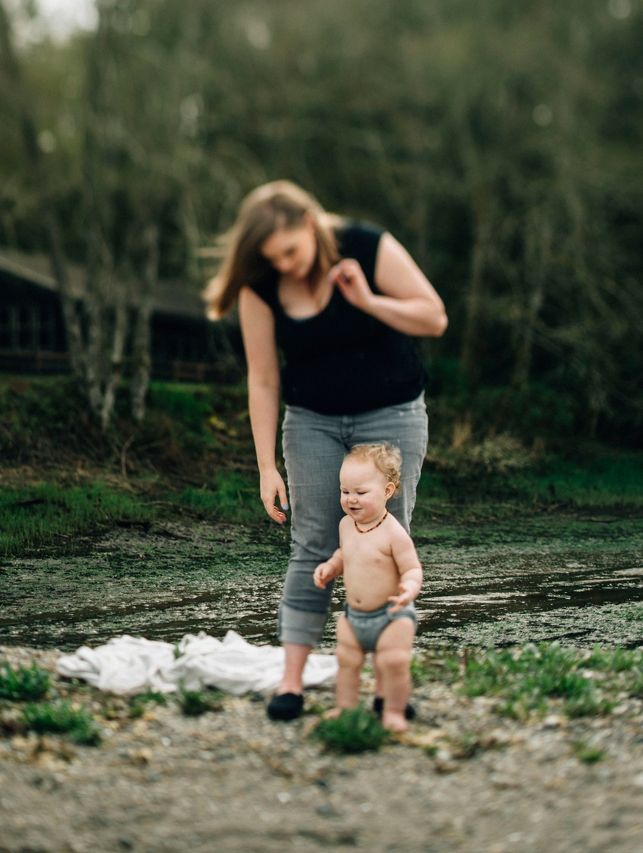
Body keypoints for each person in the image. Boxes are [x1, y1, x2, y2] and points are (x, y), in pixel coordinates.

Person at [203, 180, 446, 721]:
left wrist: (367, 300)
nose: (284, 265)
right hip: (311, 420)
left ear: (311, 225)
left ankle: (388, 690)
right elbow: (264, 380)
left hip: (392, 412)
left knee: (385, 539)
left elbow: (434, 317)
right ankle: (290, 684)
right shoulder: (261, 287)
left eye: (291, 250)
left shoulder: (365, 246)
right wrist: (266, 465)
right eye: (271, 258)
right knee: (312, 545)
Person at [312, 444, 422, 732]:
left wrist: (409, 589)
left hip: (392, 614)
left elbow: (412, 568)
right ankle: (345, 708)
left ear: (387, 491)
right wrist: (331, 567)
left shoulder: (393, 533)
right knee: (347, 661)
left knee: (394, 661)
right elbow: (344, 555)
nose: (351, 500)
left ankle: (393, 711)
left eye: (361, 493)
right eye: (345, 492)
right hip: (355, 615)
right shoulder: (347, 526)